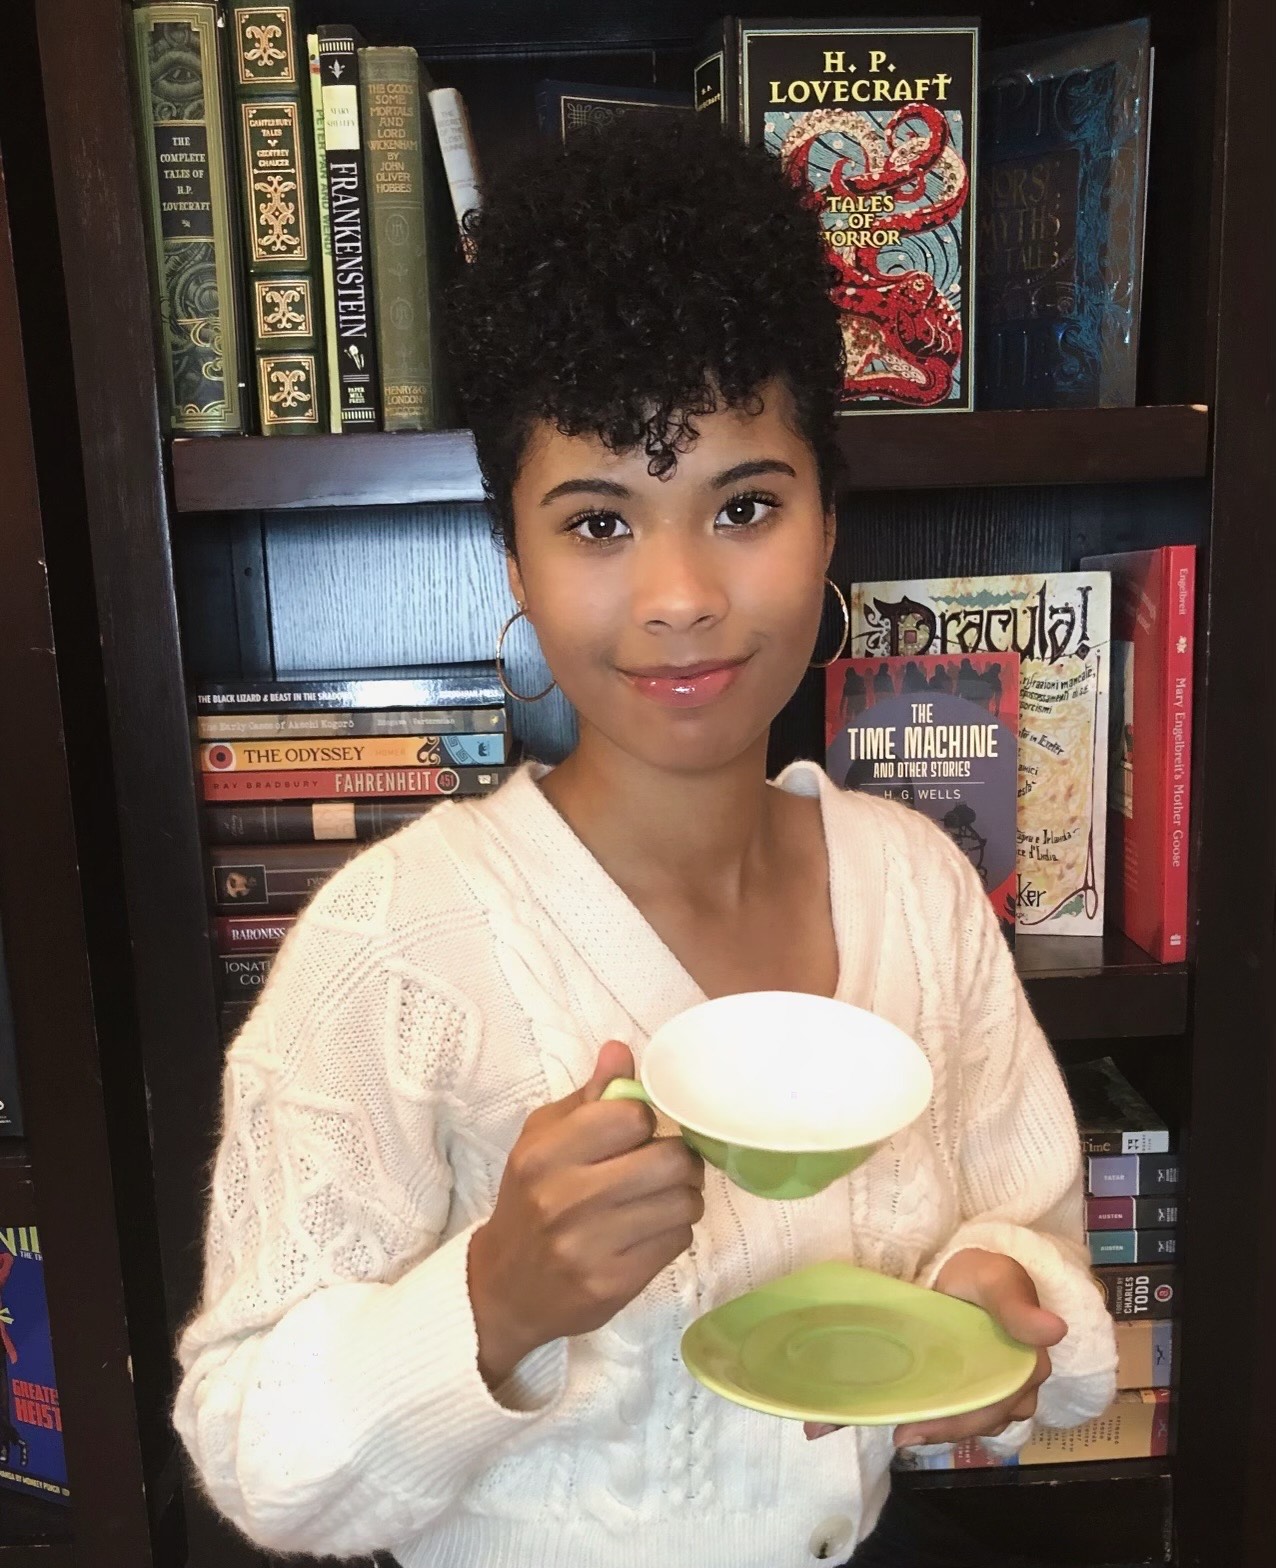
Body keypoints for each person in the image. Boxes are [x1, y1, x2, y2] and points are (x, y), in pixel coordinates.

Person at [172, 117, 1116, 1568]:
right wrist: (493, 1301)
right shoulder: (397, 944)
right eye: (599, 522)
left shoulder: (916, 891)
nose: (678, 595)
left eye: (742, 505)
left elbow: (1030, 1223)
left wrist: (999, 1288)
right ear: (515, 560)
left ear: (826, 521)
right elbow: (249, 1450)